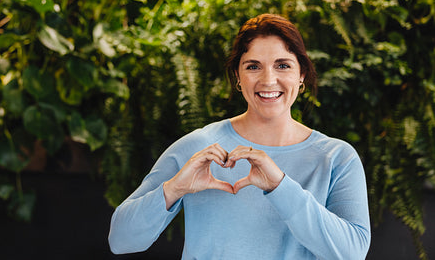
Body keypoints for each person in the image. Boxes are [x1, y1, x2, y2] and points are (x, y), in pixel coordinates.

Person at [108, 13, 371, 259]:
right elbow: (121, 240)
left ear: (301, 74)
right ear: (238, 76)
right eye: (253, 66)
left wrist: (279, 186)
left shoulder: (336, 158)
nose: (268, 80)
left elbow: (353, 252)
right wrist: (175, 188)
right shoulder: (197, 147)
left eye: (283, 65)